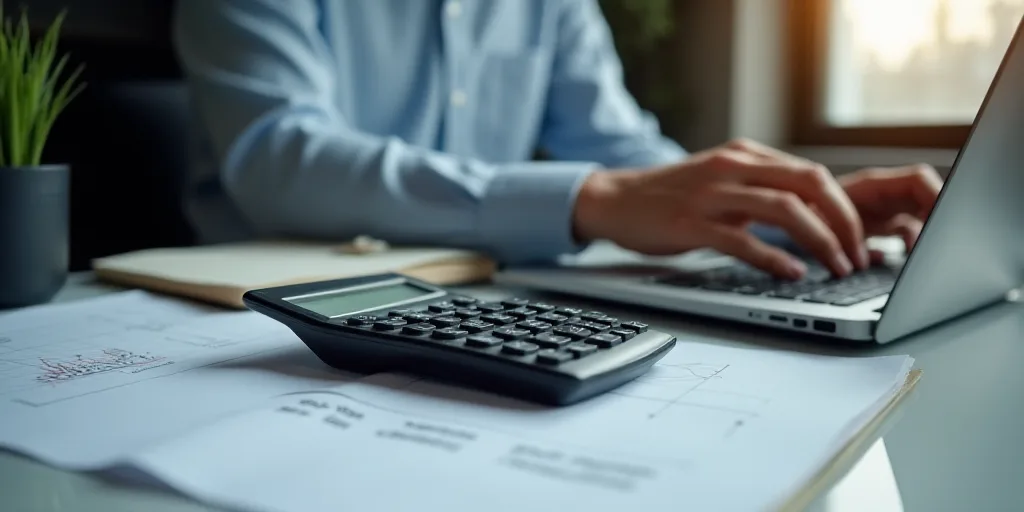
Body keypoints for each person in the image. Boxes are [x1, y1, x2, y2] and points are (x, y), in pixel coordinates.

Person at [171, 0, 943, 280]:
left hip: (480, 295)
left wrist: (789, 212)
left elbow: (624, 152)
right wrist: (589, 200)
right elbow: (278, 158)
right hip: (251, 310)